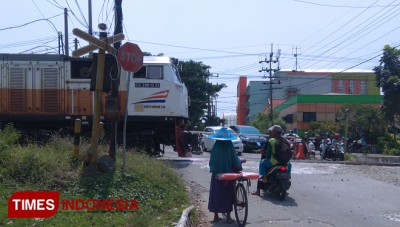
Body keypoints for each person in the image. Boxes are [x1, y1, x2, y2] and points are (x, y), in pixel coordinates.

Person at [208, 128, 242, 224]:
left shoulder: (216, 146)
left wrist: (214, 170)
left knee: (216, 193)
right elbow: (234, 158)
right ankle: (228, 217)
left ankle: (215, 216)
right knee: (228, 194)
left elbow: (212, 161)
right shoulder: (229, 145)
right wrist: (238, 165)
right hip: (228, 174)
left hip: (217, 174)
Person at [251, 124, 292, 196]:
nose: (271, 132)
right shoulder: (286, 140)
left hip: (275, 162)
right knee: (289, 165)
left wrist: (267, 158)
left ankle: (265, 178)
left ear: (276, 132)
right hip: (286, 162)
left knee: (262, 163)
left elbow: (268, 154)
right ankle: (288, 177)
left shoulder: (272, 140)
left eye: (272, 131)